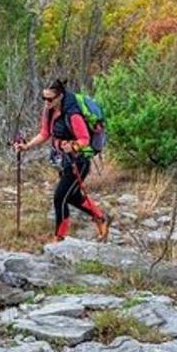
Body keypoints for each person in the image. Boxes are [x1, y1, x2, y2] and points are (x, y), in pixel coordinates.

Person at [16, 79, 111, 242]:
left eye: (50, 99)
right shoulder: (49, 111)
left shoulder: (73, 114)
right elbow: (45, 133)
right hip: (64, 161)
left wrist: (73, 147)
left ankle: (59, 237)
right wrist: (27, 146)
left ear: (60, 96)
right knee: (72, 196)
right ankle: (101, 217)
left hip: (78, 162)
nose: (46, 103)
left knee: (59, 197)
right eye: (43, 98)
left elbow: (84, 139)